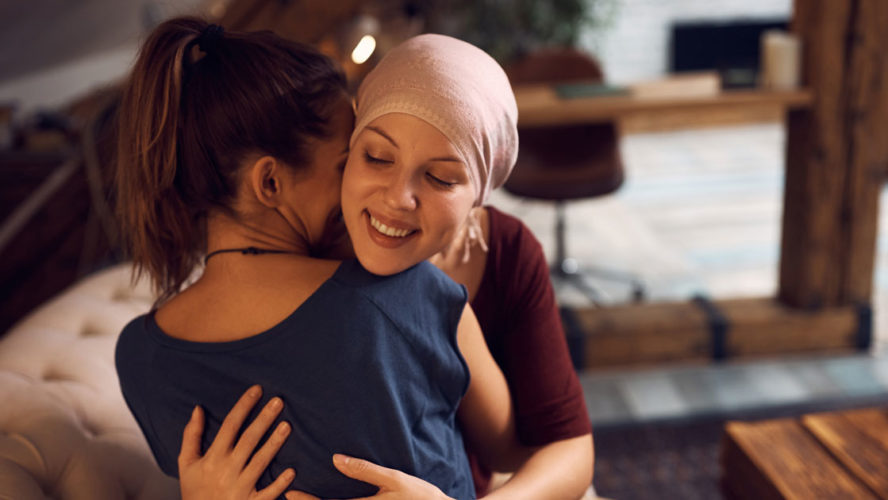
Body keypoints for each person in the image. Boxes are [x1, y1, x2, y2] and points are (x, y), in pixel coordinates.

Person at [114, 18, 524, 500]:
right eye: (350, 159)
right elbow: (509, 450)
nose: (375, 192)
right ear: (270, 184)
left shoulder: (141, 359)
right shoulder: (406, 294)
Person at [180, 33, 594, 499]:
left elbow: (565, 446)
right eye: (376, 157)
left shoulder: (506, 251)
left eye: (440, 177)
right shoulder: (305, 251)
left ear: (478, 193)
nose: (397, 200)